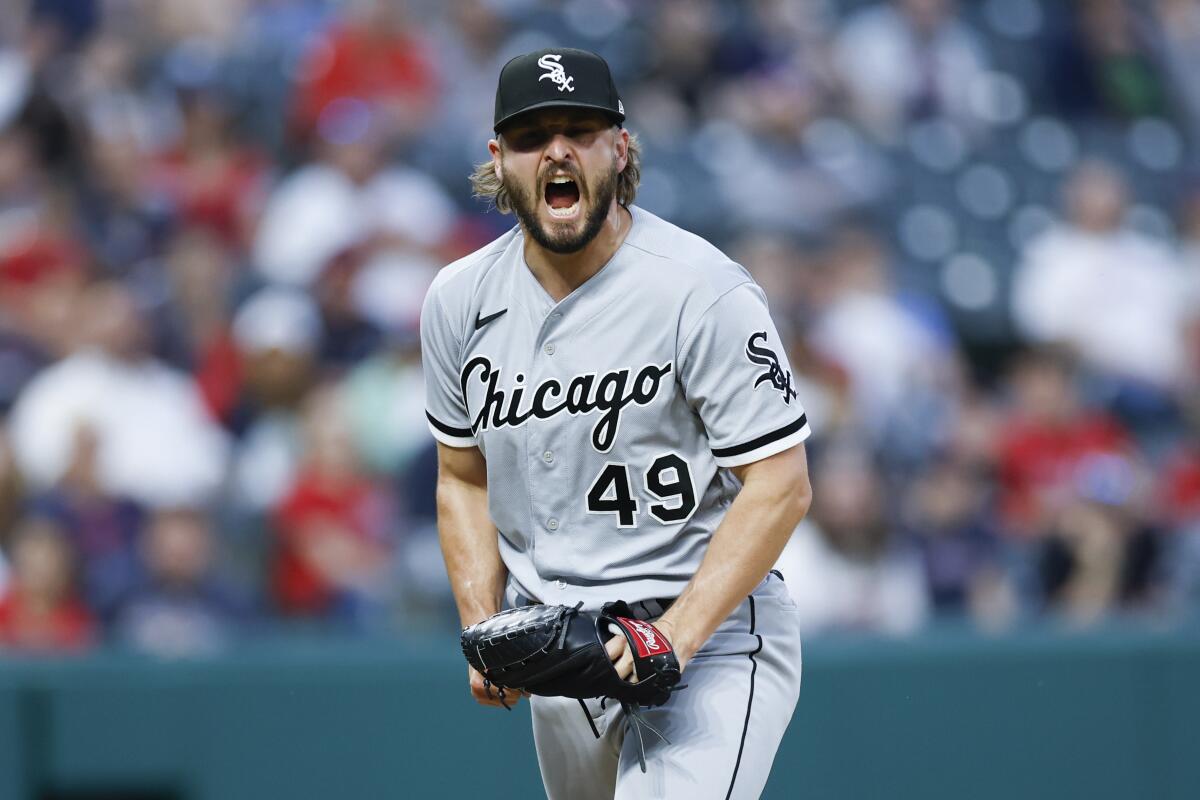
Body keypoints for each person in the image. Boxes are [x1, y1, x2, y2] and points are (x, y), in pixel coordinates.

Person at [421, 48, 812, 799]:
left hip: (711, 631)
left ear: (620, 149)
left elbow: (781, 484)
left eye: (581, 129)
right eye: (533, 136)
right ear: (498, 160)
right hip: (559, 643)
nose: (558, 151)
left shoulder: (701, 289)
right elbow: (462, 477)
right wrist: (481, 624)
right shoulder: (458, 299)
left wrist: (678, 633)